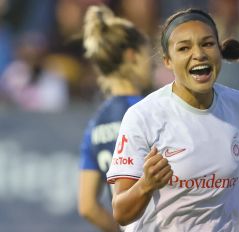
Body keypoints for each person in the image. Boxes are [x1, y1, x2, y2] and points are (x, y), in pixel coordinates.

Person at [107, 8, 239, 231]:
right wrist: (146, 185)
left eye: (207, 44)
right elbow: (121, 213)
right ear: (168, 61)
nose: (198, 54)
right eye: (184, 48)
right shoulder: (143, 116)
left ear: (219, 50)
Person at [78, 5, 153, 232]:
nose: (152, 63)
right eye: (147, 55)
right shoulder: (150, 111)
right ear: (132, 56)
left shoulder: (95, 124)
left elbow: (87, 206)